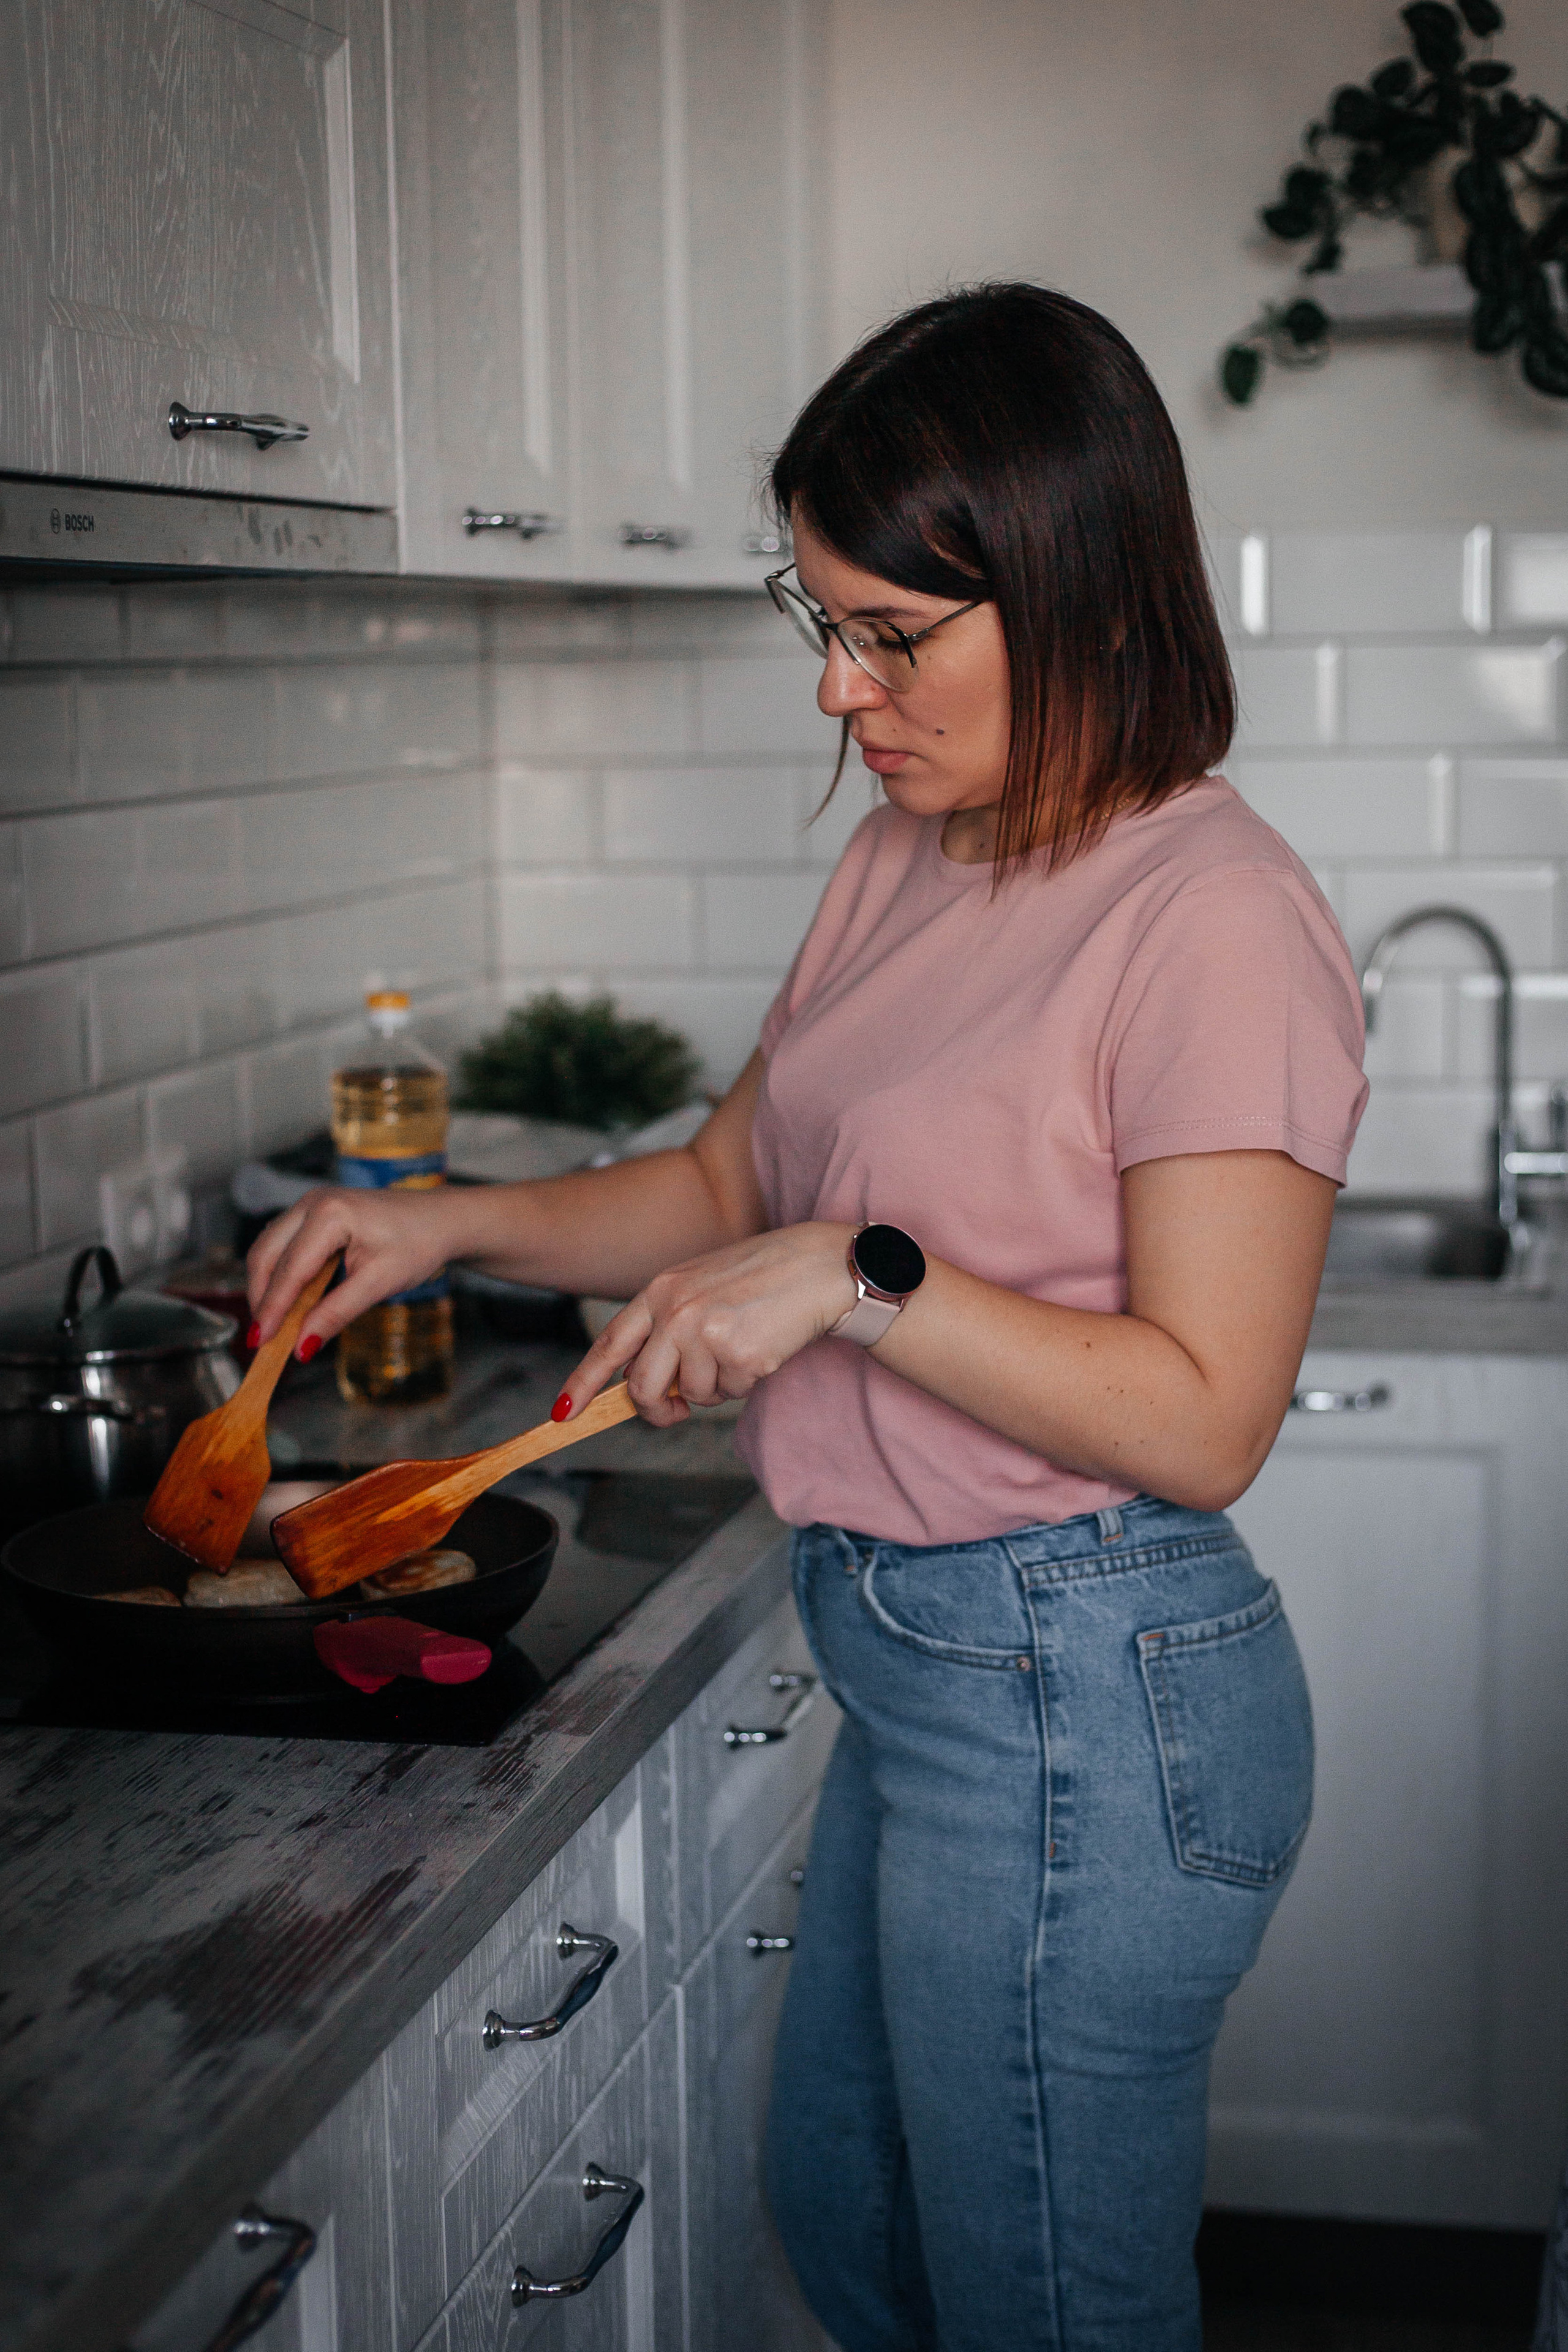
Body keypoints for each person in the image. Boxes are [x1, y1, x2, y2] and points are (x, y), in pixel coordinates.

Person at [247, 283, 1368, 2351]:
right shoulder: (907, 852)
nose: (844, 692)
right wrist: (443, 1226)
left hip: (1086, 1684)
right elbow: (717, 1188)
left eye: (893, 635)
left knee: (1040, 2309)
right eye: (821, 620)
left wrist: (860, 1283)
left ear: (1080, 592)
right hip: (936, 1671)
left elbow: (1208, 1415)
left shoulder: (1217, 916)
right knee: (849, 2227)